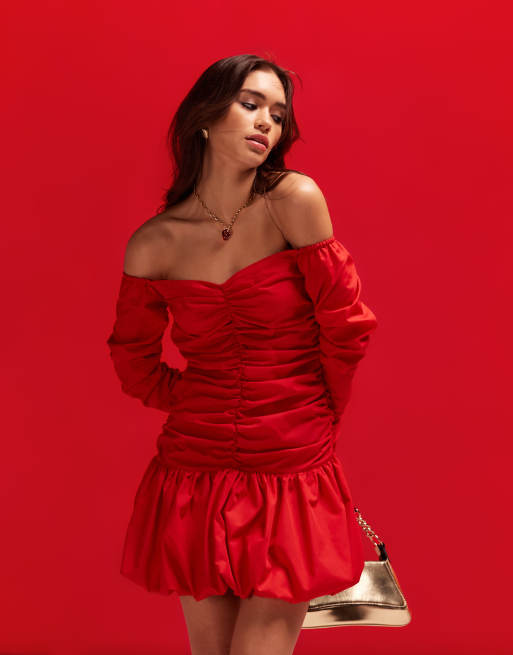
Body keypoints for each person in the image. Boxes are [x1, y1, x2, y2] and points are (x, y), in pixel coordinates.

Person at [106, 54, 378, 655]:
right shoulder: (154, 242)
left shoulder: (293, 199)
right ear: (204, 118)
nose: (265, 124)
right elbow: (132, 360)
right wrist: (197, 399)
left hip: (291, 456)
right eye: (250, 105)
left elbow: (346, 326)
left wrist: (316, 412)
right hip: (195, 465)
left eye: (277, 115)